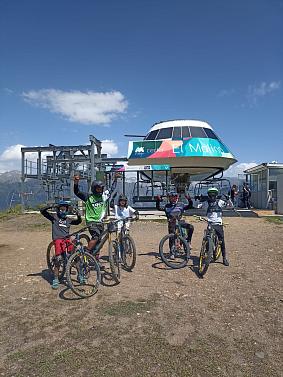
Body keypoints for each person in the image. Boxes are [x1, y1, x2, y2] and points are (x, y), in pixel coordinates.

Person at [73, 175, 117, 261]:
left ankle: (95, 259)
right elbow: (77, 192)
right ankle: (87, 253)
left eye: (101, 188)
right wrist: (76, 182)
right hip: (91, 221)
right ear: (94, 189)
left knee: (99, 242)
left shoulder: (104, 196)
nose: (100, 190)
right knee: (96, 237)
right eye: (98, 189)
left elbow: (112, 189)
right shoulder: (88, 197)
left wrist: (115, 179)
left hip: (101, 222)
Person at [40, 201, 82, 289]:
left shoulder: (68, 220)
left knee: (75, 257)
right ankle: (55, 279)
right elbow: (42, 211)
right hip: (58, 240)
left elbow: (78, 222)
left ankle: (80, 275)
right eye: (61, 209)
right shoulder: (54, 217)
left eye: (64, 209)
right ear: (58, 209)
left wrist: (78, 215)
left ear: (67, 210)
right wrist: (50, 206)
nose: (63, 211)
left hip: (67, 239)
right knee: (58, 259)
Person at [197, 187, 229, 266]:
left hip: (218, 224)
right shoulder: (206, 203)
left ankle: (224, 257)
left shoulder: (220, 202)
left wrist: (228, 199)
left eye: (213, 195)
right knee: (207, 239)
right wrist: (198, 199)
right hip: (210, 224)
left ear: (216, 195)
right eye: (210, 195)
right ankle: (209, 254)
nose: (212, 196)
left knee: (221, 241)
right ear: (208, 195)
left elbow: (228, 206)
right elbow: (197, 206)